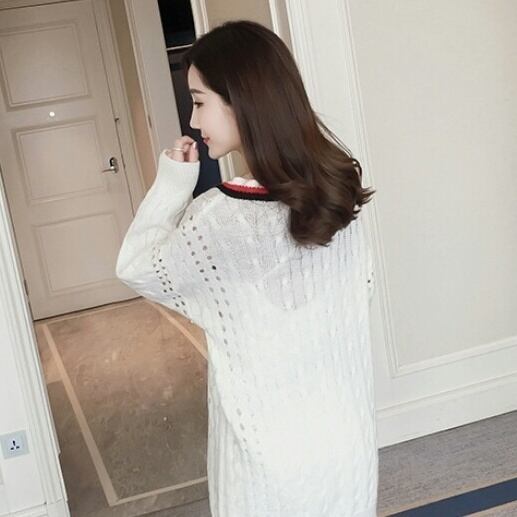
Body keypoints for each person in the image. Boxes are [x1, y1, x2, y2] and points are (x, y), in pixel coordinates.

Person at [116, 19, 377, 517]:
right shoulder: (339, 188)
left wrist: (173, 182)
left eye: (199, 101)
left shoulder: (220, 218)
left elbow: (137, 267)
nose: (193, 119)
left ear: (241, 101)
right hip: (347, 440)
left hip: (265, 455)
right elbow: (353, 297)